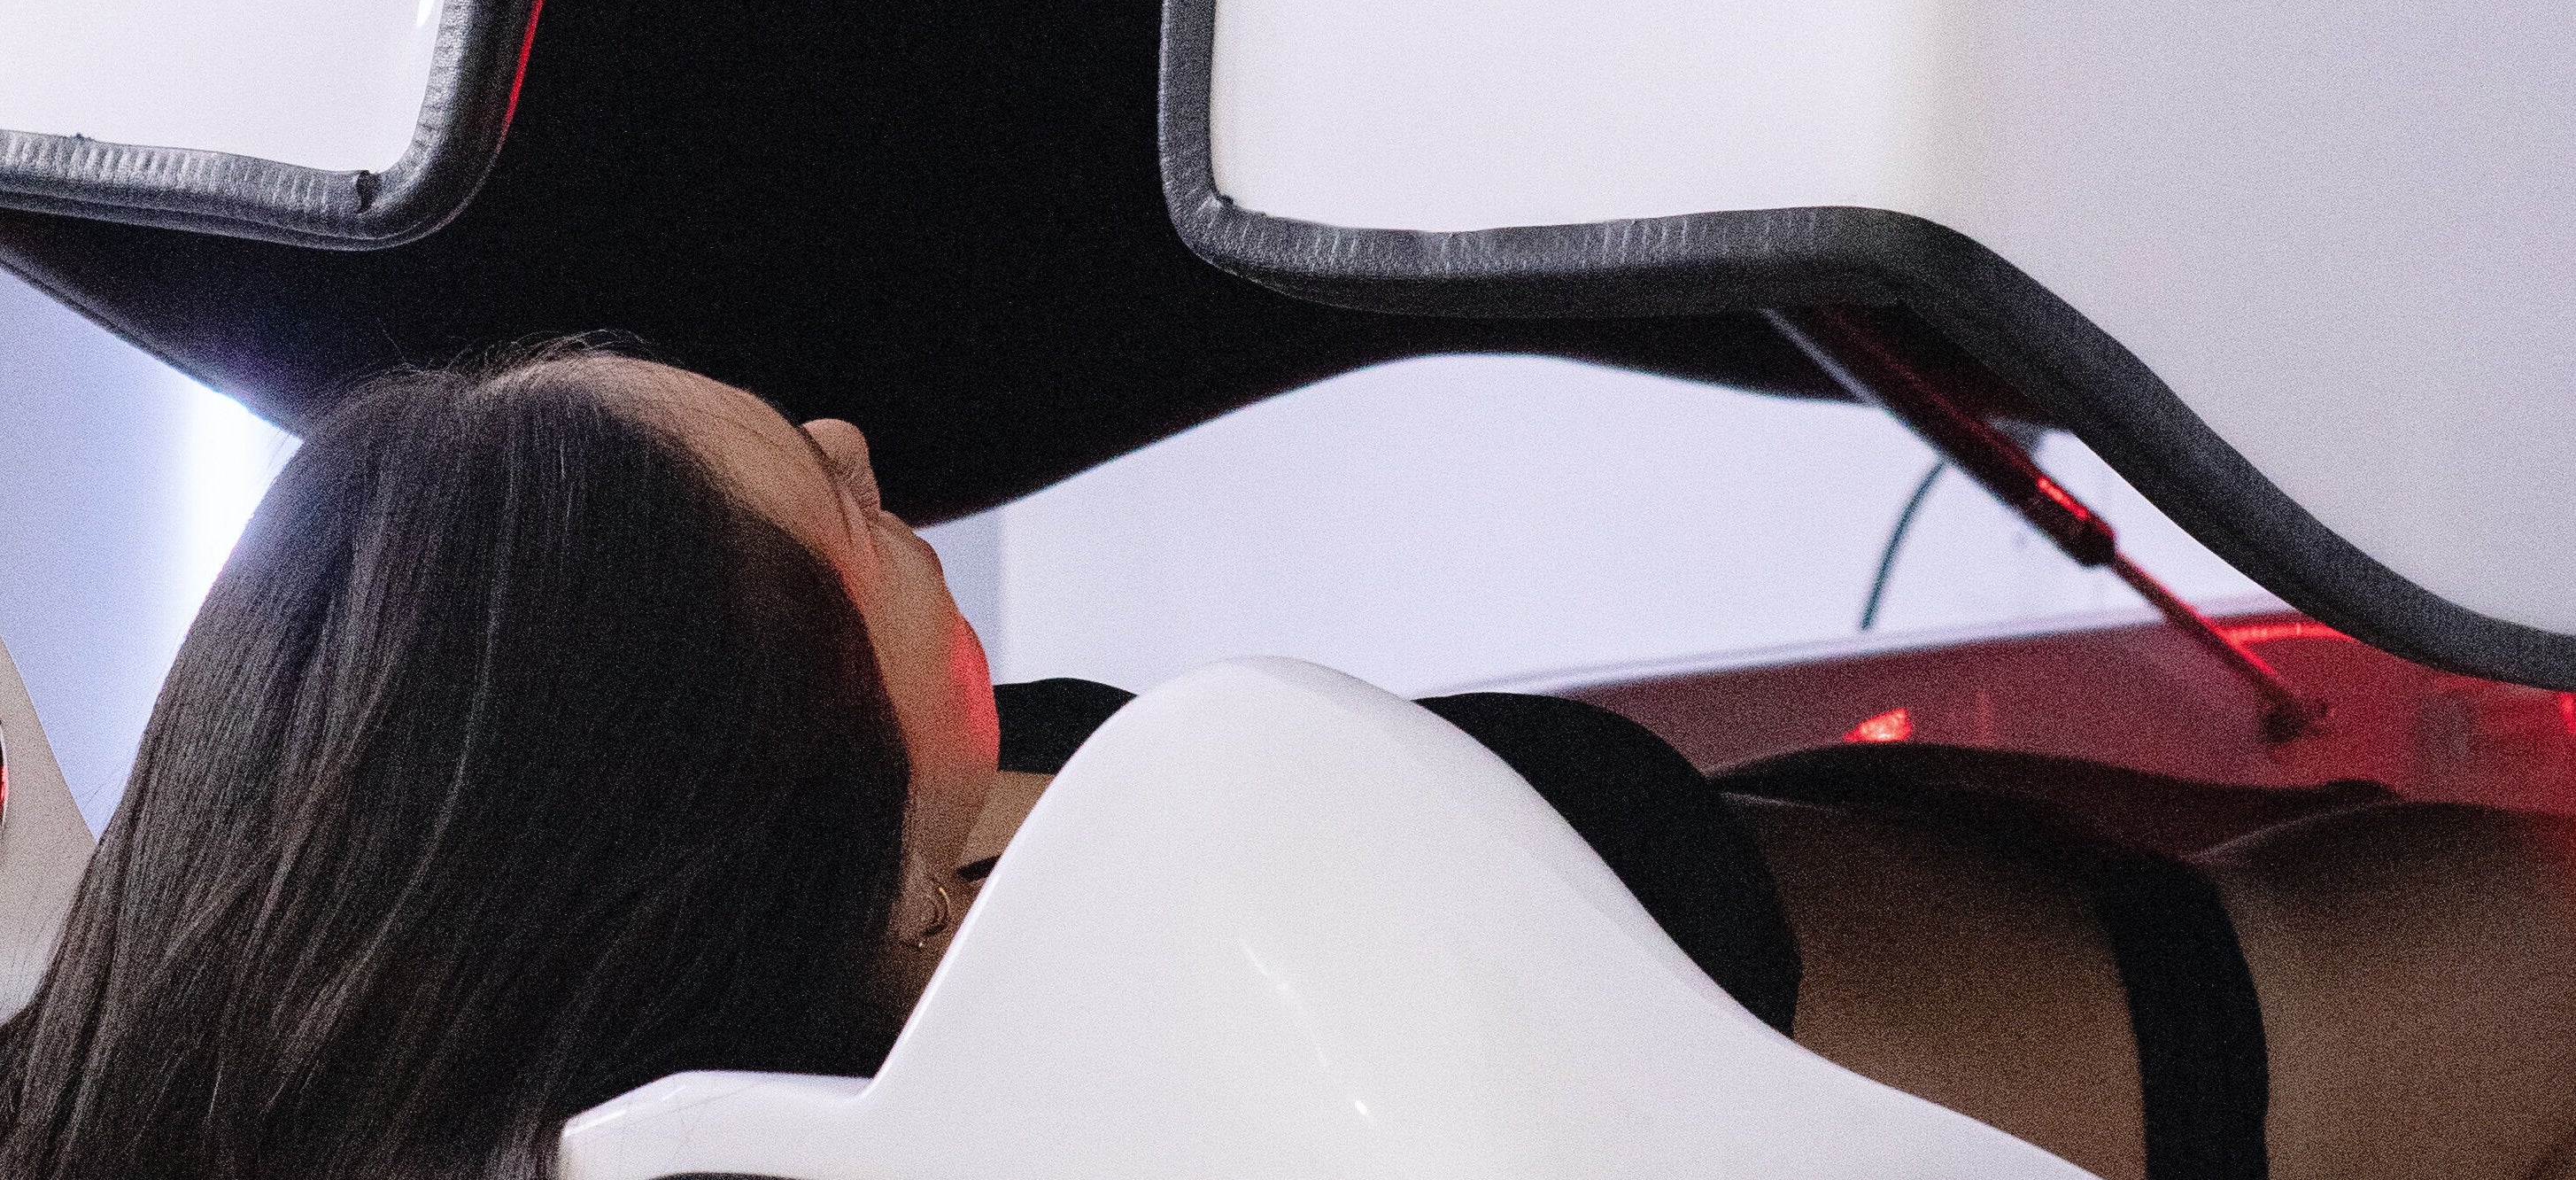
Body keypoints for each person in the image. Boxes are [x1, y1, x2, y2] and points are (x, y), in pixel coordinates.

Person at [1, 348, 2572, 1180]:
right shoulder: (1225, 975)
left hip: (2027, 878)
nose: (862, 440)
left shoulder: (604, 1005)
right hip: (2278, 1042)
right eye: (841, 513)